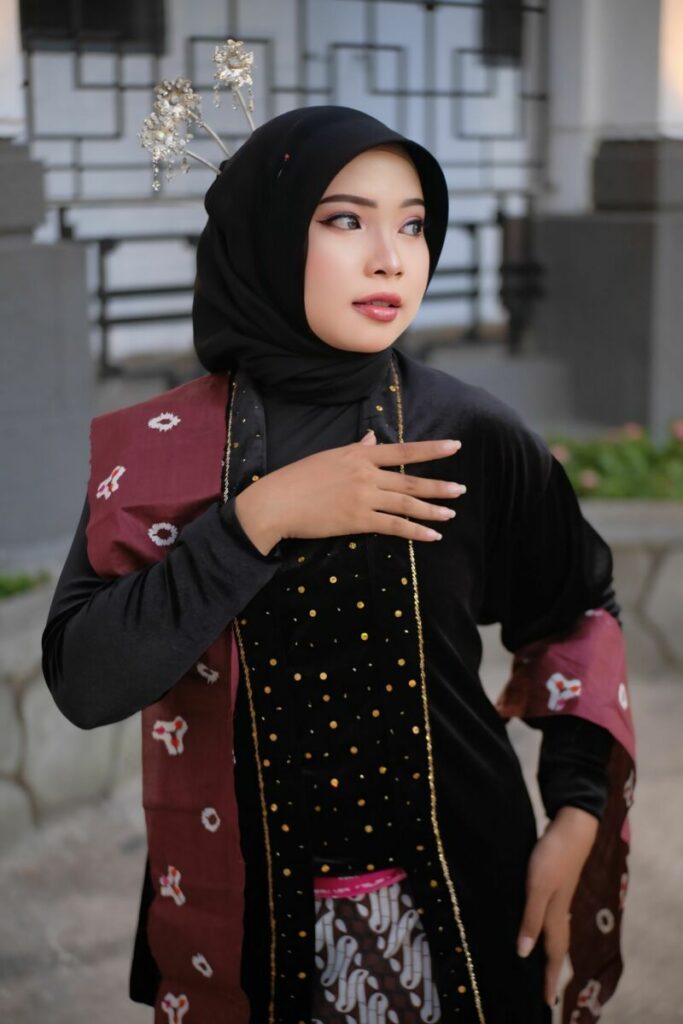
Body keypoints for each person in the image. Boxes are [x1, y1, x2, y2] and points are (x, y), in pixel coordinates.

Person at [41, 106, 634, 1024]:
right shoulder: (163, 451)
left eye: (413, 224)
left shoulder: (466, 436)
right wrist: (258, 519)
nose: (391, 259)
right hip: (248, 934)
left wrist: (575, 810)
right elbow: (84, 679)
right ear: (268, 235)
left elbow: (577, 612)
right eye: (346, 219)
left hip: (469, 906)